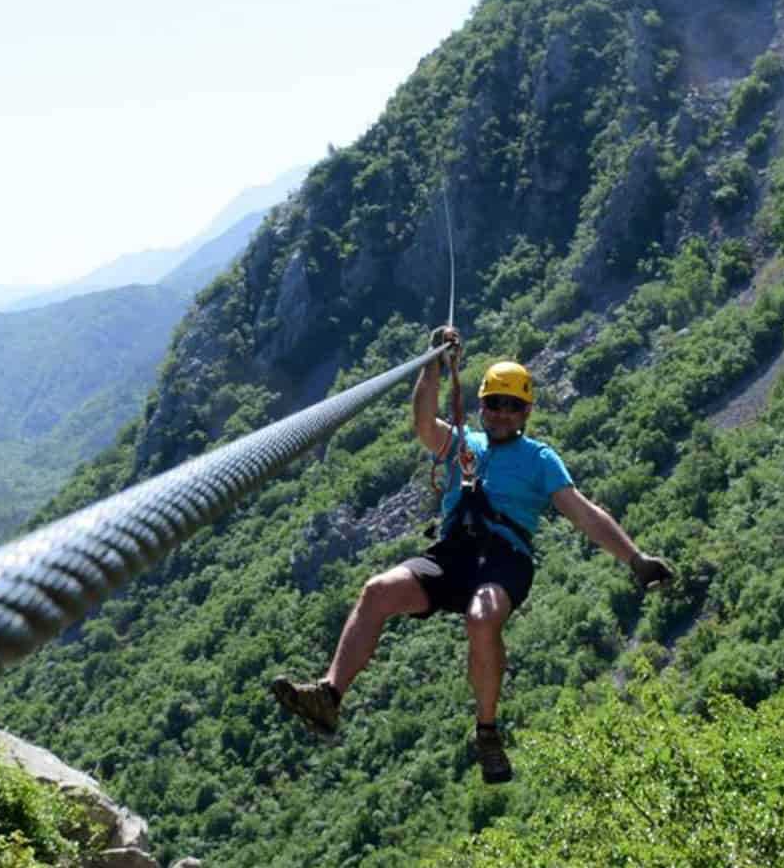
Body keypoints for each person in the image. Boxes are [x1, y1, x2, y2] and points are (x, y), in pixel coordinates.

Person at [272, 327, 674, 783]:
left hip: (505, 559)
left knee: (482, 619)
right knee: (377, 590)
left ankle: (487, 731)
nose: (502, 414)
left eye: (513, 406)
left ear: (526, 412)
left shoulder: (541, 460)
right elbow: (424, 425)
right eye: (494, 403)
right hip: (453, 552)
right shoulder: (463, 441)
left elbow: (583, 514)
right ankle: (329, 697)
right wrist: (432, 364)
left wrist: (636, 559)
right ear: (481, 405)